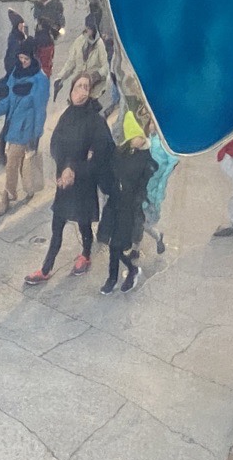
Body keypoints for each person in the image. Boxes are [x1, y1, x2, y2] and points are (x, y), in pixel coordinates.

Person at [25, 73, 114, 285]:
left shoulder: (95, 121)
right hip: (65, 182)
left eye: (85, 87)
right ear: (71, 90)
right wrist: (64, 168)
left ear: (90, 92)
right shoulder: (67, 115)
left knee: (84, 223)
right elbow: (56, 144)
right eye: (78, 86)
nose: (81, 91)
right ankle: (46, 269)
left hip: (83, 183)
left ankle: (86, 254)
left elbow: (101, 153)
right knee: (57, 225)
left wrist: (74, 169)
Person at [0, 41, 50, 216]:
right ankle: (28, 187)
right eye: (20, 58)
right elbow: (8, 100)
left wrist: (36, 135)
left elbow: (40, 110)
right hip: (13, 125)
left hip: (26, 129)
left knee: (12, 162)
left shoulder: (40, 80)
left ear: (33, 57)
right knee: (20, 162)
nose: (23, 62)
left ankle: (7, 196)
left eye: (26, 58)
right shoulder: (16, 72)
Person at [98, 115, 157, 294]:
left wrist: (137, 198)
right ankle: (128, 271)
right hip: (114, 203)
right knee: (113, 244)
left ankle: (114, 277)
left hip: (129, 207)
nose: (140, 140)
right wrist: (110, 187)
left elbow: (145, 183)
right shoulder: (119, 153)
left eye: (140, 136)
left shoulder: (146, 158)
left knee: (116, 244)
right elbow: (109, 172)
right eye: (136, 136)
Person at [138, 110, 178, 256]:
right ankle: (136, 248)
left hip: (152, 189)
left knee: (142, 222)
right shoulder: (146, 139)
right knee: (137, 220)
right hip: (141, 185)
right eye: (151, 123)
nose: (152, 126)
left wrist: (159, 191)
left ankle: (155, 237)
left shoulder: (165, 144)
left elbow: (169, 166)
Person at [52, 15, 110, 111]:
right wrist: (60, 77)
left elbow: (106, 66)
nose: (90, 31)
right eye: (88, 28)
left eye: (92, 29)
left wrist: (97, 74)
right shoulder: (79, 41)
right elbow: (70, 62)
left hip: (93, 88)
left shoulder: (100, 44)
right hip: (78, 84)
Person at [3, 8, 27, 75]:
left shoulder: (19, 36)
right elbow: (14, 55)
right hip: (14, 69)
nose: (23, 26)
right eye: (21, 24)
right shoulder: (15, 38)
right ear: (17, 25)